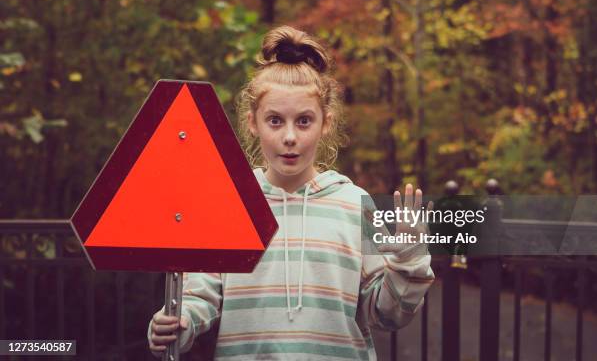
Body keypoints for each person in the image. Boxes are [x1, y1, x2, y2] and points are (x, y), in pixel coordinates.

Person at [147, 25, 435, 360]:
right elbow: (201, 296)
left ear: (325, 123)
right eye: (274, 121)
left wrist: (408, 263)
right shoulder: (230, 202)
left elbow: (387, 314)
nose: (289, 137)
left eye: (303, 121)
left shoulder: (355, 204)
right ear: (253, 122)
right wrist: (180, 321)